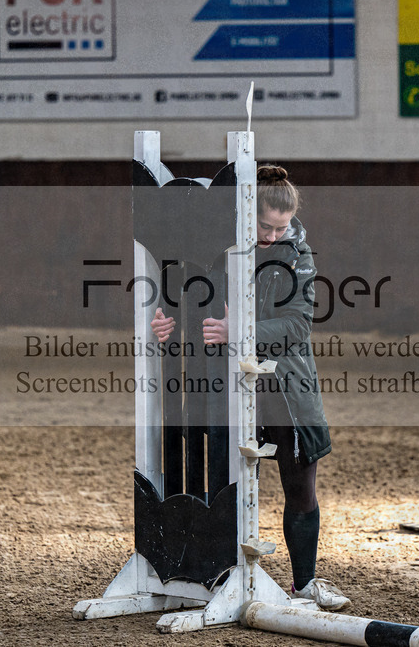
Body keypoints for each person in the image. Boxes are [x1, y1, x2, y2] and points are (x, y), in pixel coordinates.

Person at [150, 164, 349, 611]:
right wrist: (164, 319)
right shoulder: (217, 249)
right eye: (265, 225)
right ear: (245, 213)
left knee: (301, 486)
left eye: (282, 227)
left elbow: (298, 324)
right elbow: (187, 294)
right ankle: (224, 575)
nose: (274, 236)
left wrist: (240, 329)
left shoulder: (298, 253)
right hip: (231, 389)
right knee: (230, 485)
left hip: (288, 390)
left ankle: (305, 583)